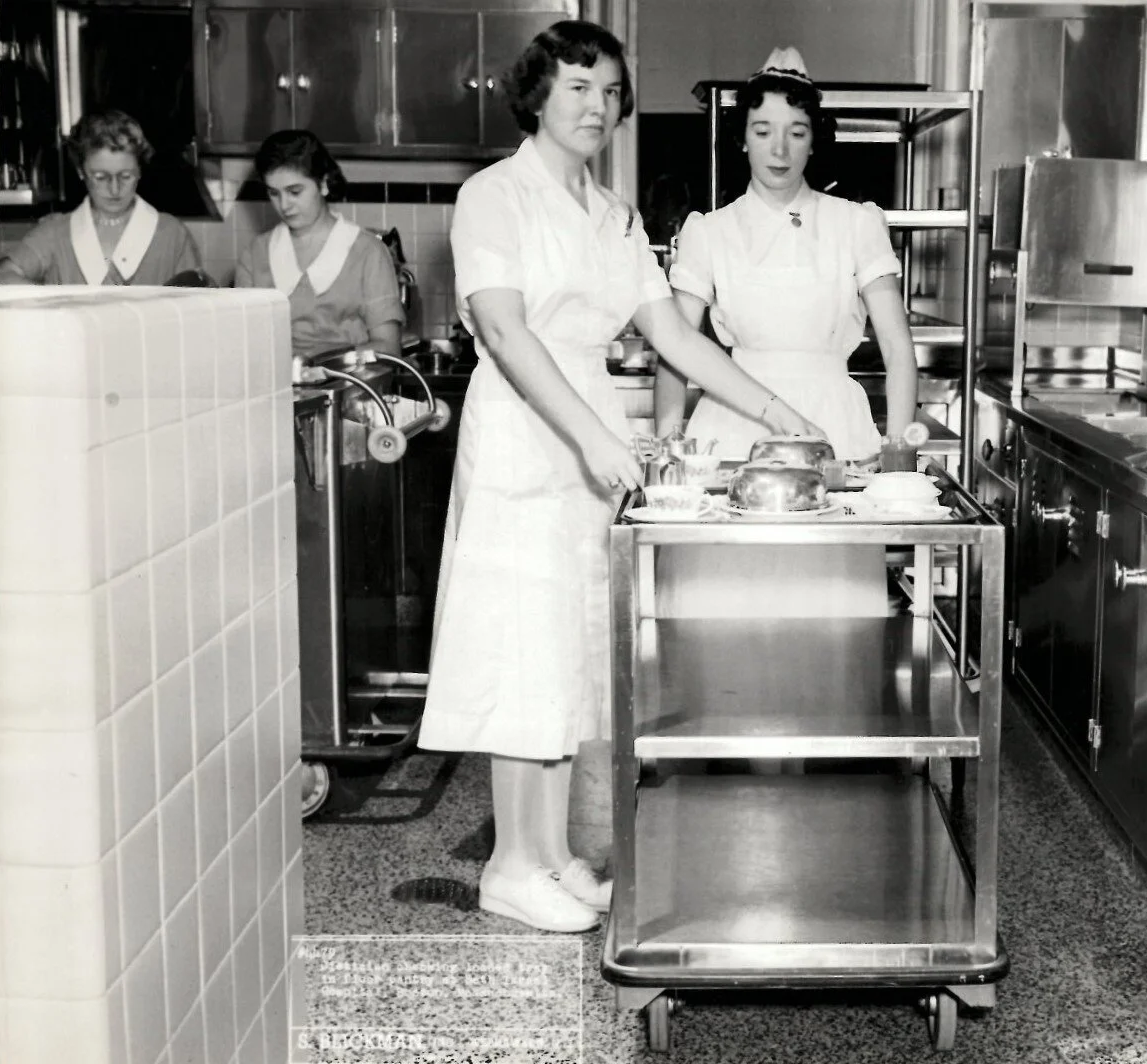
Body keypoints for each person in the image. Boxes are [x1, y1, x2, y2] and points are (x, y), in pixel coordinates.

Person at [416, 21, 821, 934]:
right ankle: (508, 868)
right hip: (527, 431)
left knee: (565, 649)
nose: (596, 106)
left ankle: (553, 854)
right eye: (575, 88)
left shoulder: (614, 213)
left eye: (607, 91)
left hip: (587, 433)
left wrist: (773, 410)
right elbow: (509, 333)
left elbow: (675, 334)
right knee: (519, 646)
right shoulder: (494, 196)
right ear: (536, 96)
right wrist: (592, 439)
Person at [652, 47, 918, 617]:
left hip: (834, 426)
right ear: (742, 137)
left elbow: (898, 348)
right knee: (725, 604)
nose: (779, 148)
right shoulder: (710, 232)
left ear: (814, 140)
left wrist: (897, 457)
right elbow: (675, 351)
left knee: (829, 604)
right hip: (733, 422)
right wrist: (669, 457)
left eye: (796, 132)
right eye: (763, 130)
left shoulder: (856, 223)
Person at [234, 130, 403, 359]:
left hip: (351, 389)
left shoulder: (368, 253)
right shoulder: (255, 255)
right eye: (274, 193)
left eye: (295, 192)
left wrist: (316, 365)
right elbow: (243, 345)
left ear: (323, 184)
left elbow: (388, 346)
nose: (284, 205)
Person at [0, 110, 200, 286]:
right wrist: (55, 304)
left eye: (126, 176)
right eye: (101, 177)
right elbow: (3, 276)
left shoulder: (171, 234)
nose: (114, 189)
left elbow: (197, 308)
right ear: (80, 171)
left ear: (140, 170)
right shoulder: (55, 233)